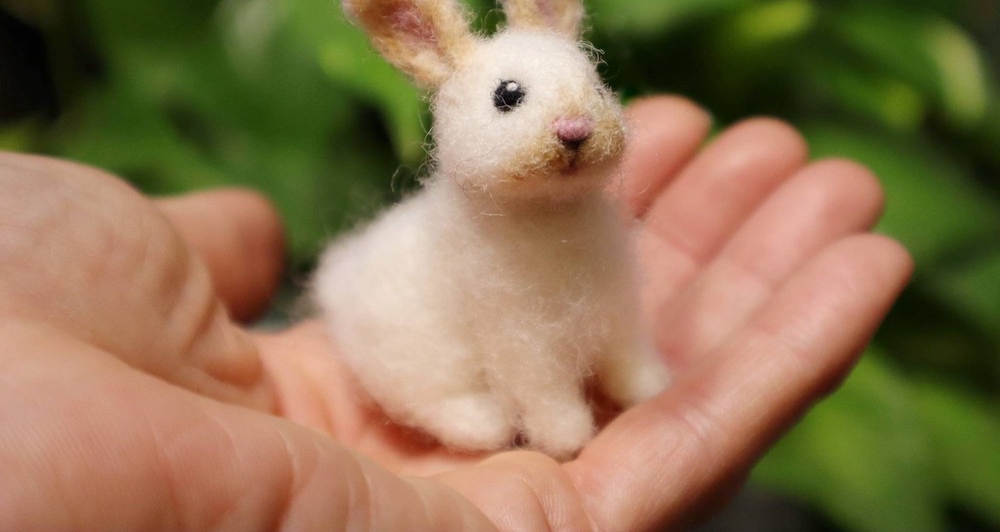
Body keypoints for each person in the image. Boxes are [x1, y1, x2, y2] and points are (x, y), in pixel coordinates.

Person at [0, 96, 911, 531]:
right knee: (497, 343)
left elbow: (610, 295)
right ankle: (451, 404)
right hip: (407, 334)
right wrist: (553, 415)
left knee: (604, 298)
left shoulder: (593, 213)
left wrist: (627, 361)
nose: (567, 124)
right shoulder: (467, 239)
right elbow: (516, 336)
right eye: (512, 100)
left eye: (577, 90)